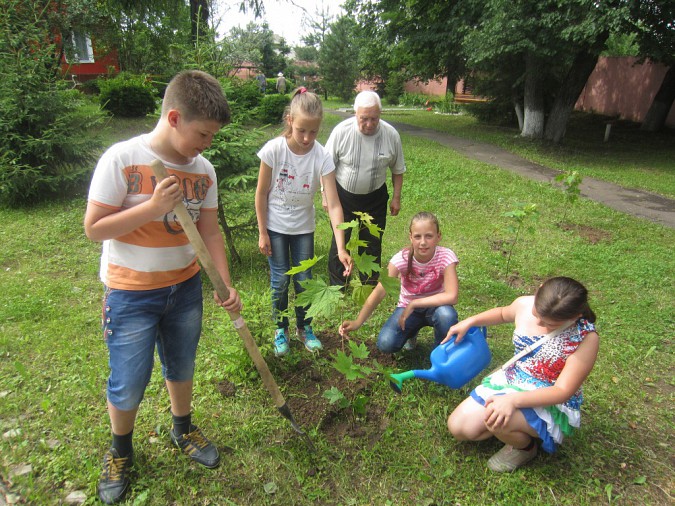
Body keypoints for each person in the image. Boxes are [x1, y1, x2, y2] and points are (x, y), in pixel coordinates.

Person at [84, 70, 242, 504]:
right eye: (202, 133)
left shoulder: (203, 169)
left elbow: (209, 232)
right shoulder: (122, 158)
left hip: (185, 289)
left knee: (181, 364)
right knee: (129, 378)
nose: (206, 144)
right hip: (130, 293)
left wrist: (223, 282)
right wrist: (153, 206)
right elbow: (95, 229)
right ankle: (120, 451)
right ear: (174, 117)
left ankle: (183, 427)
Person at [444, 277, 599, 472]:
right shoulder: (524, 303)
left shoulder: (586, 339)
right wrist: (471, 321)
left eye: (549, 324)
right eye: (538, 315)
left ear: (575, 316)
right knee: (459, 427)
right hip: (513, 378)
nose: (540, 323)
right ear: (539, 290)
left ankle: (524, 448)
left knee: (497, 418)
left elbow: (562, 390)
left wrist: (512, 401)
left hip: (548, 396)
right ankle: (512, 427)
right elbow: (502, 314)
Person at [255, 87, 352, 357]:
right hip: (275, 228)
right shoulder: (273, 151)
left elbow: (333, 204)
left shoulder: (321, 156)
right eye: (302, 131)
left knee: (305, 280)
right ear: (290, 121)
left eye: (314, 131)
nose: (308, 138)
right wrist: (262, 232)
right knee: (279, 281)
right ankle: (280, 329)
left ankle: (305, 327)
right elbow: (261, 193)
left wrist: (341, 247)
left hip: (303, 230)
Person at [339, 212, 458, 353]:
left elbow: (452, 296)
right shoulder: (400, 260)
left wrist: (416, 302)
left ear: (438, 236)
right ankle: (410, 333)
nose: (423, 242)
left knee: (446, 315)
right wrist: (358, 322)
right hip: (407, 309)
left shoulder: (446, 257)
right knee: (385, 344)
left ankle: (441, 352)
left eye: (429, 236)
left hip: (437, 307)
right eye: (417, 236)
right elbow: (379, 291)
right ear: (410, 237)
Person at [324, 90, 406, 286]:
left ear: (380, 114)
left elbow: (398, 169)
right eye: (364, 118)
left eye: (374, 118)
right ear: (355, 114)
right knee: (340, 241)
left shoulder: (391, 135)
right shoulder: (341, 132)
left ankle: (368, 284)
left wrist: (396, 198)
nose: (369, 124)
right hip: (343, 197)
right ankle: (339, 285)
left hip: (375, 198)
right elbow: (325, 167)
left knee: (372, 242)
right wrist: (325, 196)